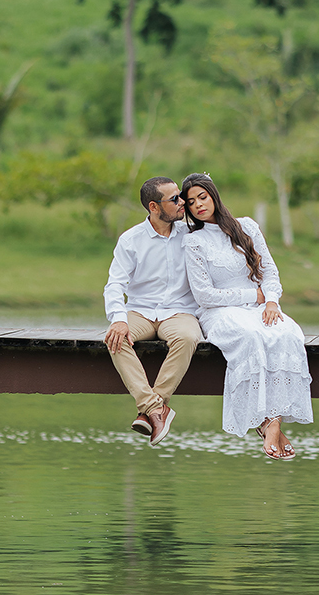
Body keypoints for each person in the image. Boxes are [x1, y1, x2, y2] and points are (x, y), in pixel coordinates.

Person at [179, 172, 313, 460]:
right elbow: (204, 296)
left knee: (286, 334)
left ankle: (271, 422)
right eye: (191, 202)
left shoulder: (247, 227)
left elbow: (270, 273)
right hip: (219, 312)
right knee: (252, 337)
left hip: (262, 307)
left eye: (202, 197)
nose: (199, 205)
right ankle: (268, 422)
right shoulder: (194, 242)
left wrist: (272, 301)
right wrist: (255, 296)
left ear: (213, 195)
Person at [103, 176, 203, 447]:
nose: (183, 202)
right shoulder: (131, 240)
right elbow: (114, 284)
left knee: (187, 337)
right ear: (154, 207)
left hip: (180, 311)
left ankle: (150, 410)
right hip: (140, 311)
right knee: (115, 338)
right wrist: (119, 319)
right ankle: (157, 409)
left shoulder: (193, 235)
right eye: (174, 199)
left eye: (180, 196)